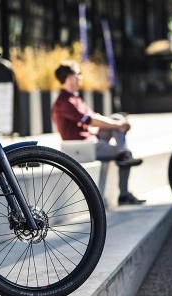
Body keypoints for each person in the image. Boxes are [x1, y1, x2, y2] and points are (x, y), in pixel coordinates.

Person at [52, 60, 144, 205]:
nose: (80, 78)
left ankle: (122, 152)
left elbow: (94, 116)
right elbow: (90, 120)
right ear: (70, 77)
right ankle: (124, 193)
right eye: (78, 74)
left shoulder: (74, 98)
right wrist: (118, 126)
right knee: (119, 130)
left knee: (117, 118)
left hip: (90, 140)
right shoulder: (64, 101)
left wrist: (117, 123)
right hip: (81, 147)